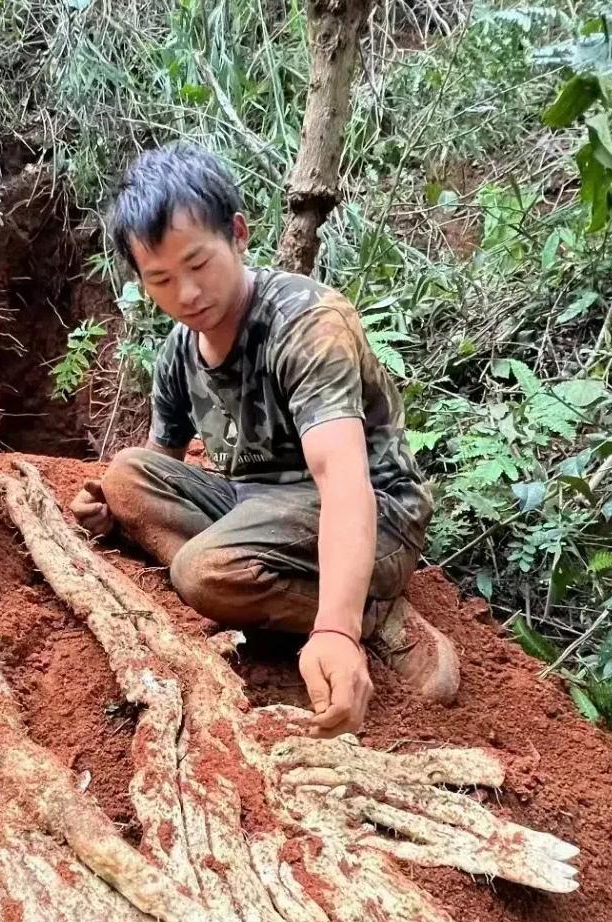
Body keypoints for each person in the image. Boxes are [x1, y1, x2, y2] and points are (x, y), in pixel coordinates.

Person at [70, 144, 460, 737]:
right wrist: (114, 510)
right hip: (257, 502)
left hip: (375, 513)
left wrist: (332, 629)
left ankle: (372, 618)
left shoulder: (306, 323)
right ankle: (278, 586)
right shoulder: (179, 350)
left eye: (198, 264)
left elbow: (342, 478)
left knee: (202, 574)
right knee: (125, 475)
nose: (187, 294)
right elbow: (161, 463)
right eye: (162, 280)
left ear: (238, 235)